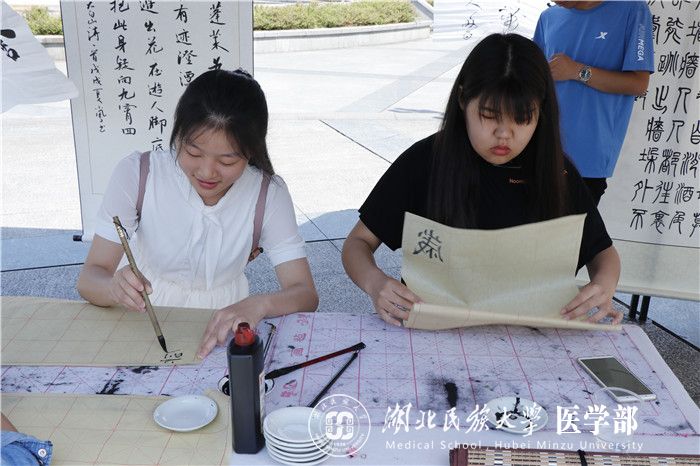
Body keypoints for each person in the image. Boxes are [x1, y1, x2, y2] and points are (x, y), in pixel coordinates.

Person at [342, 33, 622, 328]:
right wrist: (375, 283)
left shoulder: (555, 171)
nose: (504, 134)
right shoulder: (425, 162)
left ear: (541, 111)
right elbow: (358, 242)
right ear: (463, 99)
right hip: (433, 332)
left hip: (529, 335)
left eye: (522, 118)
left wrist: (604, 284)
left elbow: (602, 252)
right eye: (489, 115)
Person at [77, 69, 318, 358]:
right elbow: (90, 278)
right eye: (193, 153)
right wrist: (113, 288)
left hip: (224, 328)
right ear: (178, 135)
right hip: (141, 321)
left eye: (227, 161)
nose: (207, 172)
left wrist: (260, 304)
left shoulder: (268, 194)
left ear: (252, 152)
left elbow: (305, 293)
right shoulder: (138, 174)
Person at [533, 1, 654, 205]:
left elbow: (638, 84)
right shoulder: (548, 17)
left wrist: (577, 71)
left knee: (571, 226)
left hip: (587, 160)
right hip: (540, 150)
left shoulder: (633, 9)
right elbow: (533, 80)